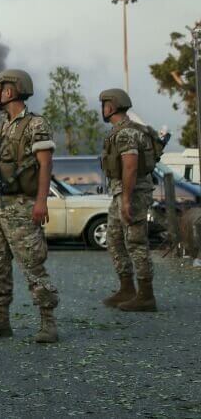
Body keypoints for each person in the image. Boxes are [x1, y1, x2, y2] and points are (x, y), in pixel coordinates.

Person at [0, 69, 60, 344]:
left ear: (9, 92)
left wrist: (42, 201)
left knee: (32, 264)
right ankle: (1, 320)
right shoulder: (0, 126)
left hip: (21, 205)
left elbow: (45, 163)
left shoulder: (35, 125)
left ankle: (48, 322)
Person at [99, 88, 157, 312]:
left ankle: (146, 295)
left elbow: (131, 167)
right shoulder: (119, 131)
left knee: (135, 242)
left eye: (105, 105)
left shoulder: (126, 133)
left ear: (112, 106)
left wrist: (126, 199)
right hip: (120, 193)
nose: (103, 109)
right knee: (114, 239)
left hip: (131, 193)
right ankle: (126, 288)